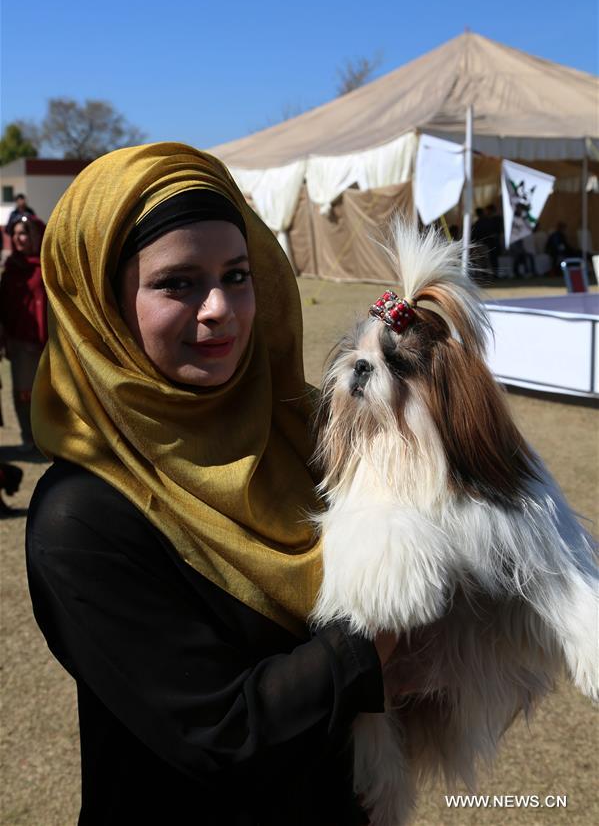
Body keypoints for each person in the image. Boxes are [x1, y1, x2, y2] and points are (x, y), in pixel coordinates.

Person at [25, 143, 412, 826]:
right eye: (177, 283)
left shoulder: (301, 432)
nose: (219, 308)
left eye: (237, 275)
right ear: (102, 305)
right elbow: (222, 734)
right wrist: (380, 629)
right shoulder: (81, 517)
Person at [0, 214, 47, 449]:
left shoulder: (47, 265)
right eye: (16, 233)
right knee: (23, 393)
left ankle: (51, 438)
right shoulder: (11, 268)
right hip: (20, 341)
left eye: (24, 233)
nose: (19, 238)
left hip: (48, 342)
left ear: (35, 236)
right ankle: (28, 438)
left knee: (48, 393)